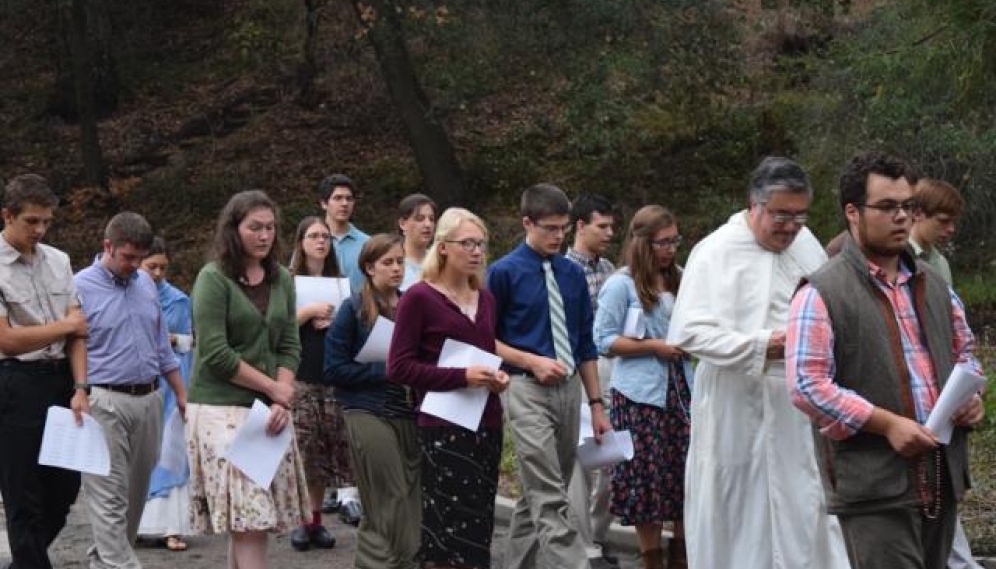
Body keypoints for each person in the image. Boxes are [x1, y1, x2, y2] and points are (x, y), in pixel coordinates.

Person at [787, 152, 986, 569]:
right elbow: (807, 384)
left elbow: (965, 355)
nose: (902, 217)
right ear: (853, 212)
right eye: (888, 207)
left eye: (909, 206)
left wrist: (971, 397)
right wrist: (886, 422)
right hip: (873, 484)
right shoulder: (822, 291)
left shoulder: (933, 286)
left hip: (939, 475)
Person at [666, 157, 849, 569]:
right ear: (755, 204)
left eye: (799, 216)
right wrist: (764, 343)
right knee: (738, 506)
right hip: (734, 401)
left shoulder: (806, 244)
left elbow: (828, 305)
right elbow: (688, 332)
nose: (790, 227)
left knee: (802, 501)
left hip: (796, 403)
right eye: (781, 216)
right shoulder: (715, 251)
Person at [487, 184, 612, 569]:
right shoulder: (503, 273)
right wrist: (531, 360)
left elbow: (586, 347)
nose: (558, 236)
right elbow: (484, 340)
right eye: (549, 228)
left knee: (535, 493)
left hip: (570, 389)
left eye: (562, 228)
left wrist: (596, 404)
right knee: (550, 490)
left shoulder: (571, 274)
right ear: (527, 223)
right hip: (526, 388)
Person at [186, 190, 308, 569]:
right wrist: (274, 388)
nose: (264, 235)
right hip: (218, 405)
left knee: (249, 521)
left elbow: (290, 343)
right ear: (233, 229)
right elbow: (215, 353)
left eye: (270, 228)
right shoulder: (213, 278)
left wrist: (279, 397)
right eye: (254, 227)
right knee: (250, 512)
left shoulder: (282, 279)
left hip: (265, 410)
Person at [390, 208, 509, 569]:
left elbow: (485, 353)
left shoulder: (485, 298)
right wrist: (462, 377)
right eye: (467, 243)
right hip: (443, 426)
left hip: (486, 421)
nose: (476, 251)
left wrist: (496, 377)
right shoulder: (419, 297)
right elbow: (399, 367)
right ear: (442, 247)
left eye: (481, 244)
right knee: (449, 529)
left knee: (479, 522)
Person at [75, 212, 187, 569]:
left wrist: (182, 396)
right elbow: (69, 347)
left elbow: (162, 348)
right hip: (104, 399)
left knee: (135, 498)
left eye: (140, 258)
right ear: (108, 246)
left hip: (150, 399)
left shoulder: (144, 283)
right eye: (128, 257)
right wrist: (78, 391)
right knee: (109, 498)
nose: (135, 266)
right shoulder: (79, 286)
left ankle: (104, 562)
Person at [594, 205, 693, 569]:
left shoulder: (681, 277)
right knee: (646, 478)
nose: (670, 249)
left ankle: (681, 554)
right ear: (642, 243)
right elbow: (602, 339)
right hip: (639, 396)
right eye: (662, 243)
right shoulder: (621, 284)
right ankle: (650, 558)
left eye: (674, 241)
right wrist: (653, 347)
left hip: (682, 390)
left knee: (684, 471)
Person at [0, 174, 89, 569]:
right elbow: (7, 341)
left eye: (47, 221)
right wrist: (66, 326)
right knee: (24, 494)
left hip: (62, 381)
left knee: (66, 488)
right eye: (31, 221)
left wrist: (82, 386)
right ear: (7, 216)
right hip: (15, 383)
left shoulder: (59, 260)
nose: (40, 229)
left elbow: (78, 333)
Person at [326, 233, 420, 569]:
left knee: (403, 498)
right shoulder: (352, 309)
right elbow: (333, 369)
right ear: (369, 267)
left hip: (408, 410)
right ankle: (408, 560)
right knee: (391, 494)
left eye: (400, 262)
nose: (396, 269)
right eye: (387, 263)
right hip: (364, 408)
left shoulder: (413, 303)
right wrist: (385, 371)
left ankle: (373, 562)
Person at [286, 216, 350, 551]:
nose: (321, 241)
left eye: (325, 236)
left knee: (325, 452)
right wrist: (307, 313)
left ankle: (316, 521)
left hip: (332, 376)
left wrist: (336, 321)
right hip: (300, 374)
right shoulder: (287, 282)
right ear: (301, 241)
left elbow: (353, 329)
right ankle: (300, 521)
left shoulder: (340, 283)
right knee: (303, 451)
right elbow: (277, 329)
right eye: (313, 235)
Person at [563, 194, 619, 566]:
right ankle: (584, 546)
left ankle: (599, 534)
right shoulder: (562, 269)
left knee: (611, 457)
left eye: (613, 226)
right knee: (581, 460)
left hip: (612, 369)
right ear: (580, 226)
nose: (610, 233)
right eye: (603, 226)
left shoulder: (611, 268)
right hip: (577, 370)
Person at [137, 237, 194, 552]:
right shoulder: (128, 295)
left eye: (162, 267)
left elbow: (190, 342)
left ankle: (171, 526)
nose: (157, 273)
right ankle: (138, 523)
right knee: (140, 453)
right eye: (151, 266)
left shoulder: (179, 300)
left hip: (170, 382)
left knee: (169, 450)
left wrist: (171, 339)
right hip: (138, 380)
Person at [318, 174, 369, 293]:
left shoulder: (367, 244)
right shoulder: (309, 242)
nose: (344, 203)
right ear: (324, 203)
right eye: (338, 198)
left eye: (349, 198)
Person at [910, 178, 963, 287]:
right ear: (917, 214)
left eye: (953, 222)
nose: (951, 229)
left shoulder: (941, 263)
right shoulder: (894, 260)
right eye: (943, 221)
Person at [397, 193, 437, 290]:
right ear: (403, 224)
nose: (428, 224)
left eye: (431, 219)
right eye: (420, 219)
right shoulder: (393, 264)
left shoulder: (440, 262)